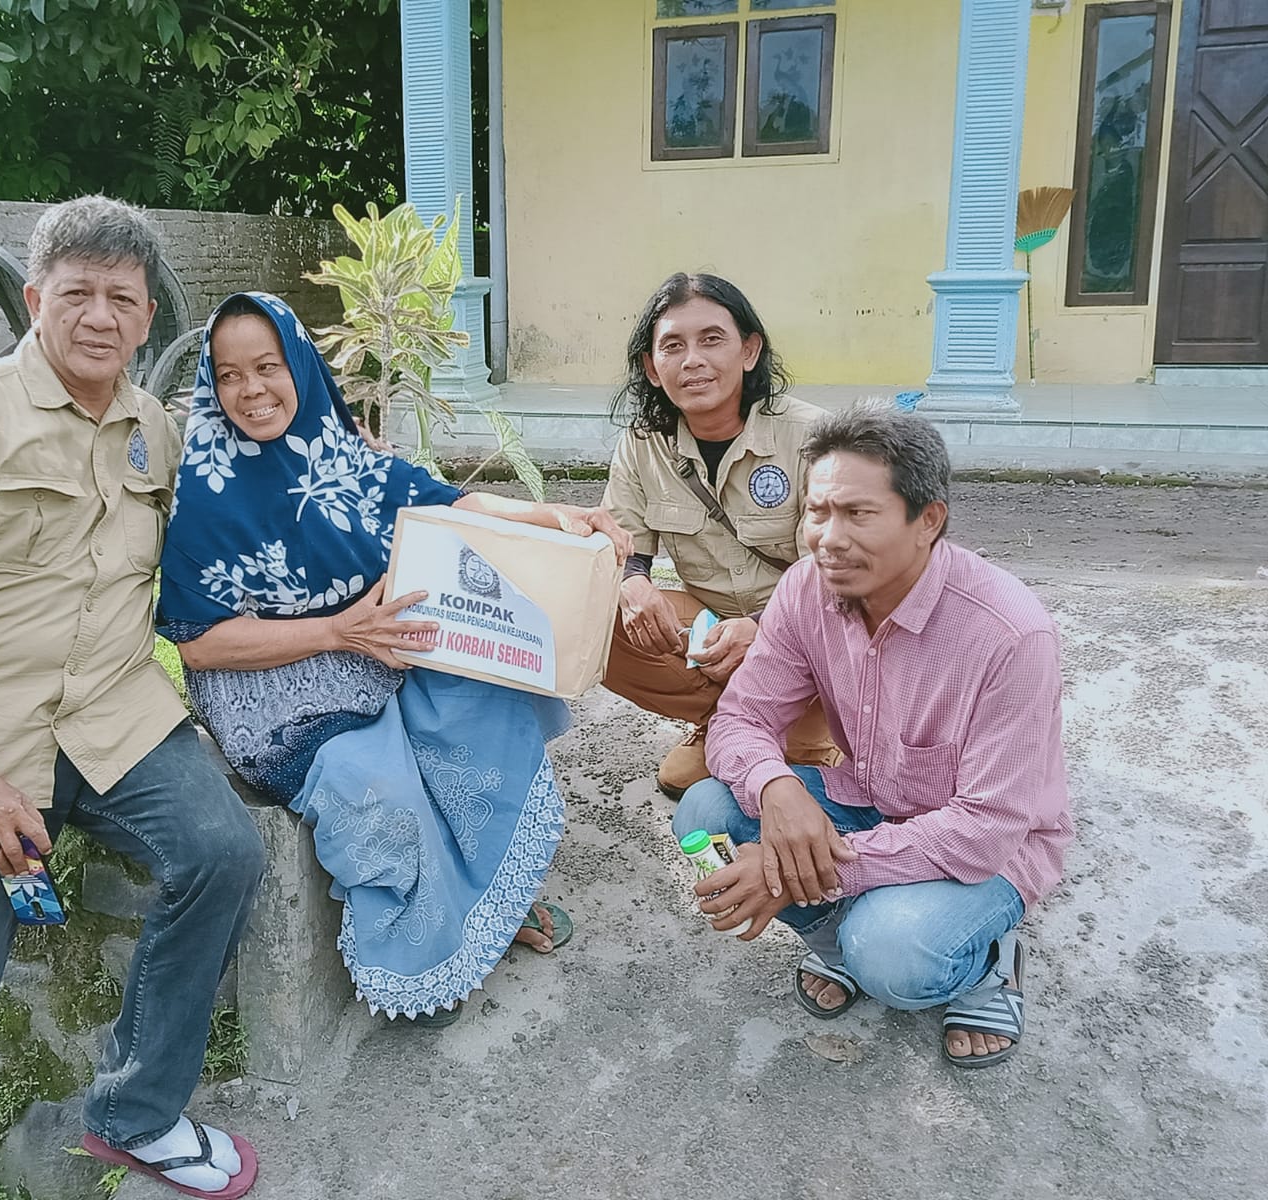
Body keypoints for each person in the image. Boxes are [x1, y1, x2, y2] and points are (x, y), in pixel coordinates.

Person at [0, 196, 264, 1200]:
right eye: (75, 293)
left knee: (221, 852)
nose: (98, 316)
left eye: (121, 298)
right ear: (36, 298)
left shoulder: (156, 433)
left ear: (145, 313)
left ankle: (133, 1110)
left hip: (117, 720)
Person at [156, 292, 631, 1022]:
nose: (249, 391)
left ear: (301, 367)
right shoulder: (206, 491)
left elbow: (449, 504)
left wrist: (563, 516)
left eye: (266, 366)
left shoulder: (343, 457)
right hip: (273, 688)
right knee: (380, 796)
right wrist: (334, 633)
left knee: (488, 702)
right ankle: (419, 951)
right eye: (228, 375)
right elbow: (198, 642)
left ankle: (487, 901)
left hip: (374, 643)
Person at [674, 404, 1073, 1068]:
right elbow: (742, 720)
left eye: (858, 514)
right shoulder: (806, 589)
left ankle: (987, 963)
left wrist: (796, 874)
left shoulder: (1010, 635)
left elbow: (986, 827)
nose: (828, 538)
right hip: (872, 798)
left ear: (929, 521)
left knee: (895, 956)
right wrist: (776, 790)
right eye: (817, 512)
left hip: (989, 849)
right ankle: (842, 941)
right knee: (707, 813)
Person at [602, 272, 836, 800]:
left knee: (722, 783)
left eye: (712, 340)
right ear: (652, 368)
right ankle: (732, 717)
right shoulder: (642, 446)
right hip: (715, 628)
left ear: (749, 351)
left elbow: (839, 576)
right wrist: (632, 582)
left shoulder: (814, 436)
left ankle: (810, 729)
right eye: (673, 346)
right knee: (596, 614)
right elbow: (622, 542)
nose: (693, 360)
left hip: (812, 631)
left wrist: (761, 626)